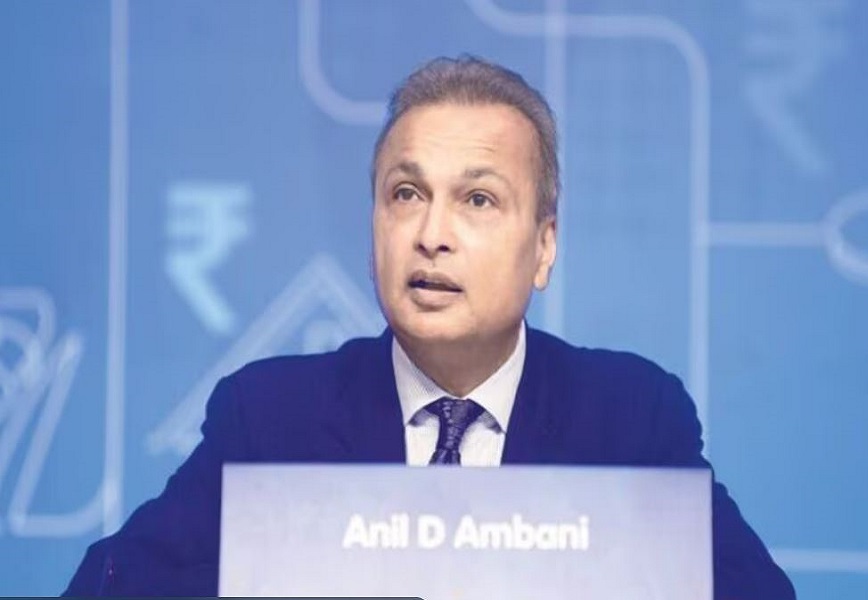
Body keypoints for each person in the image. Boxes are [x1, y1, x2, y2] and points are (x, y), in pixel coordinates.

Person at [65, 55, 795, 598]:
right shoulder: (271, 418)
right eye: (407, 194)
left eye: (478, 200)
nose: (432, 235)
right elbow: (111, 584)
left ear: (545, 245)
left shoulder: (630, 420)